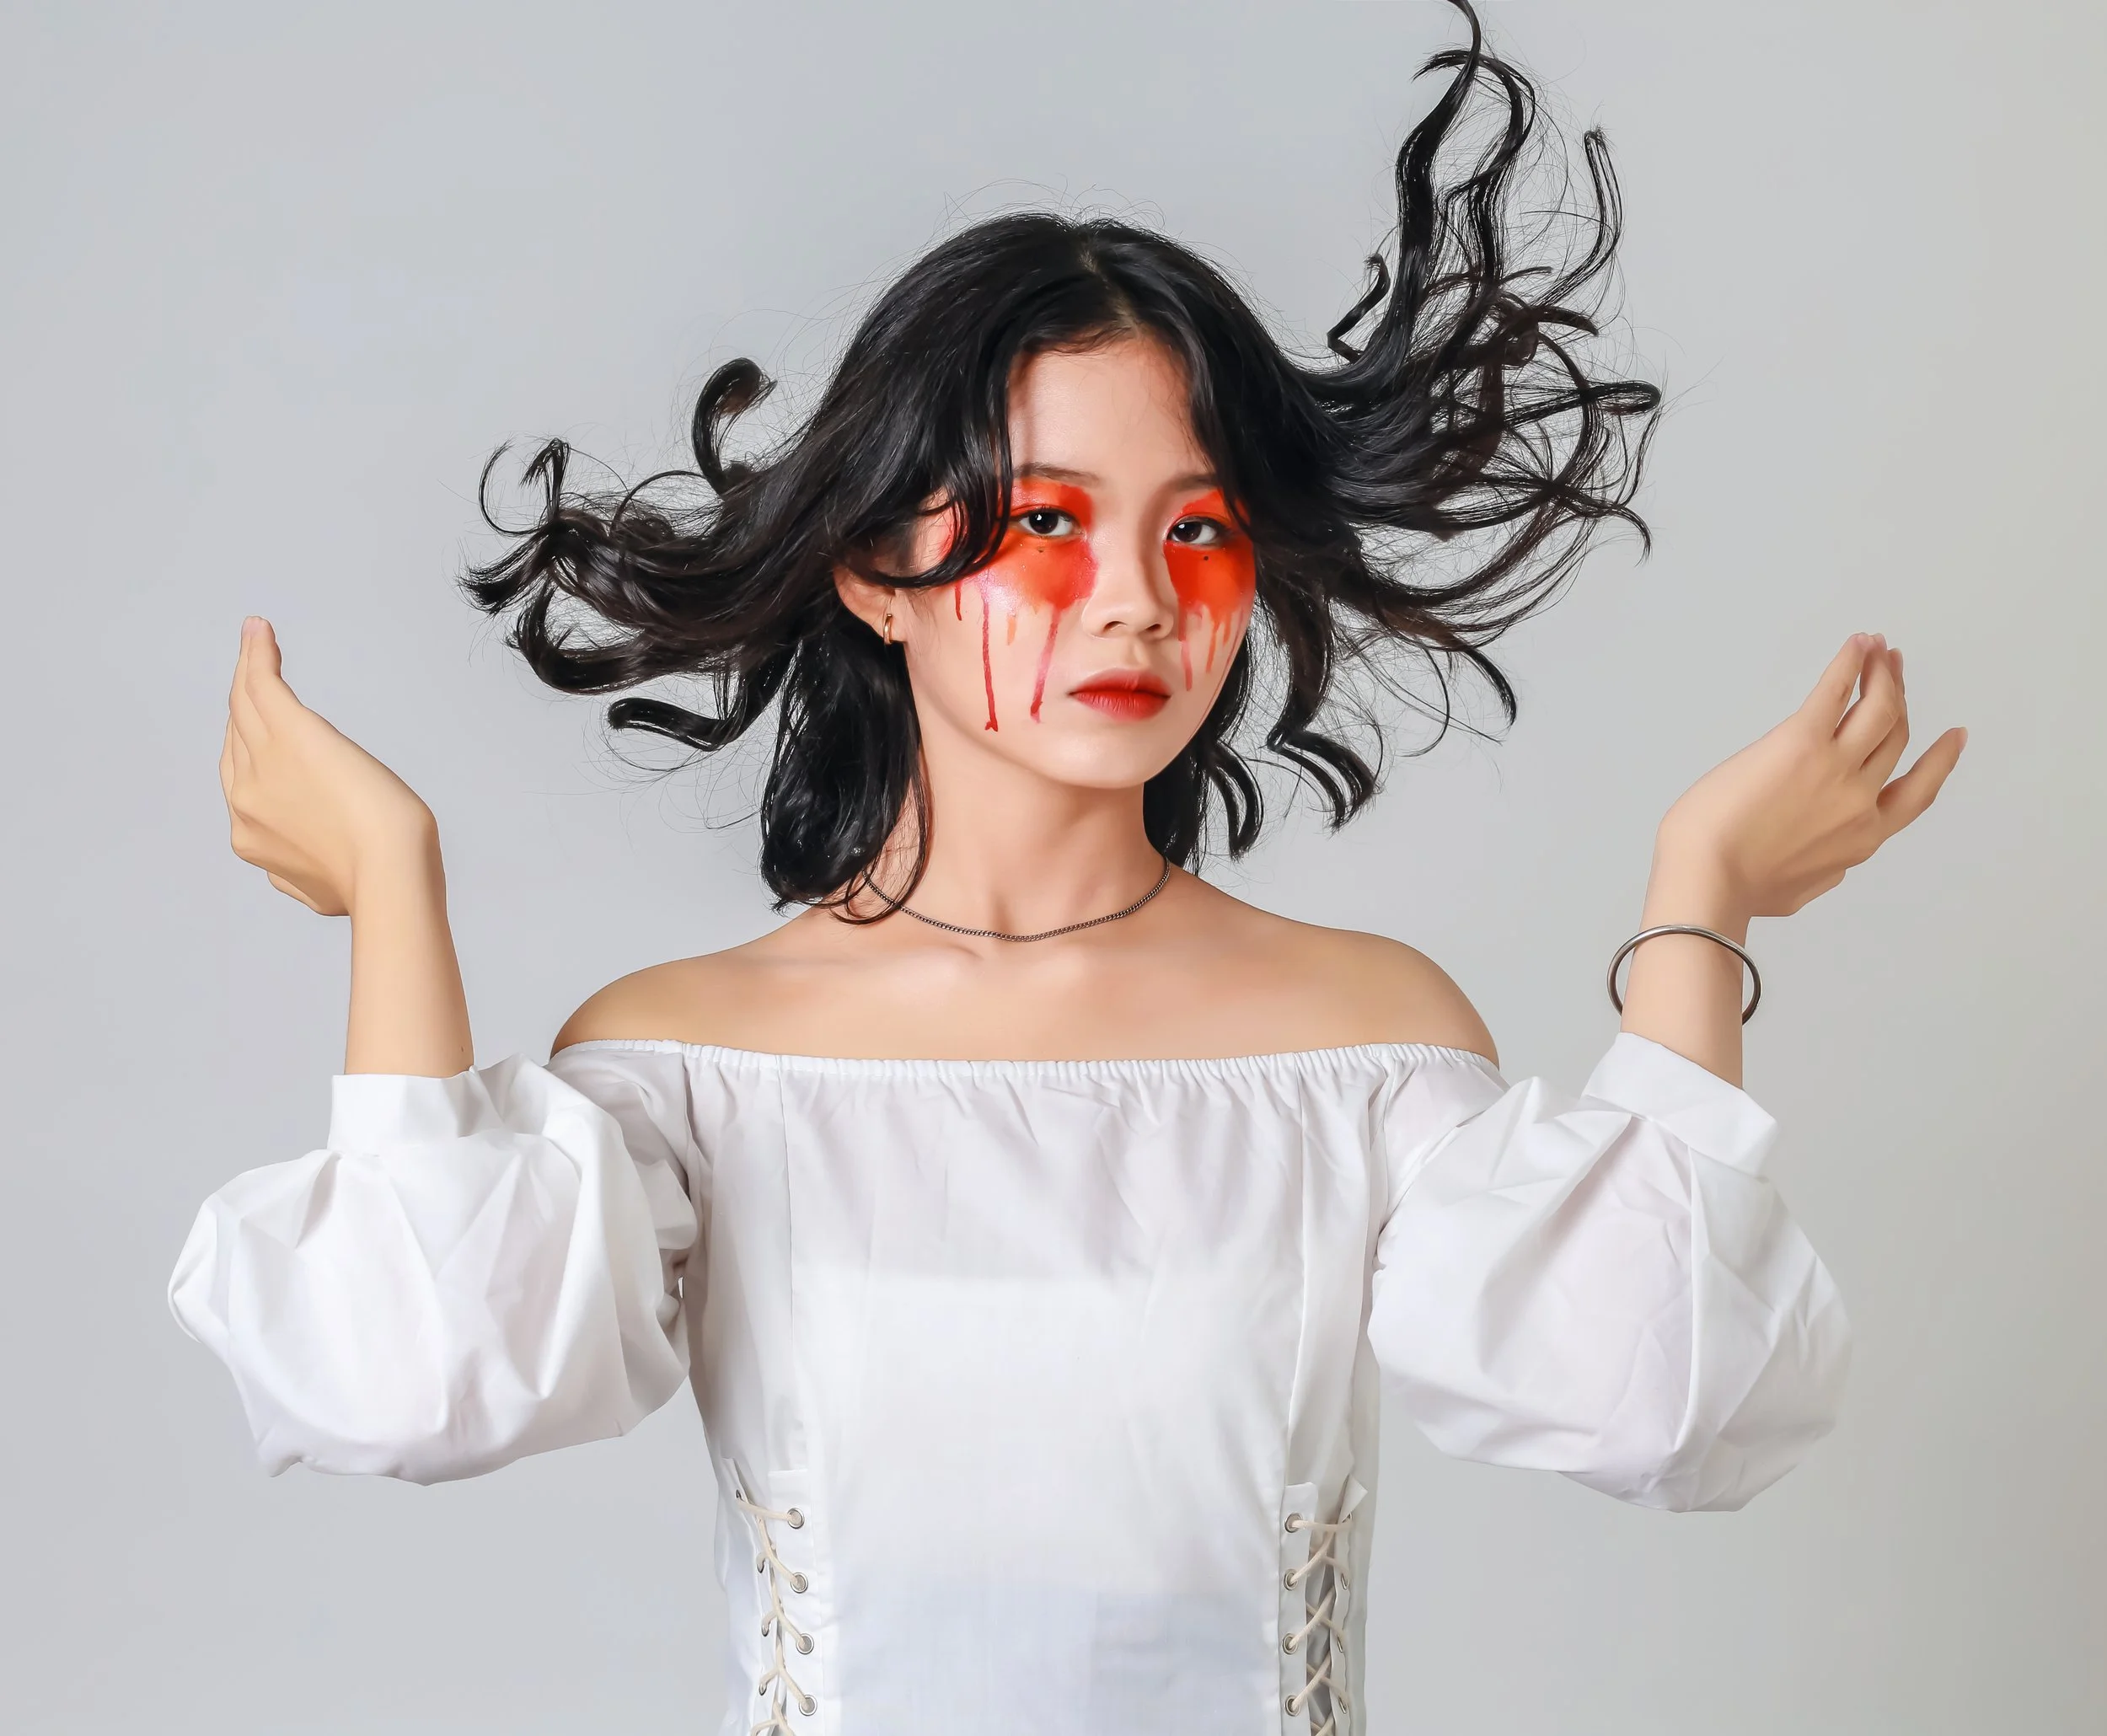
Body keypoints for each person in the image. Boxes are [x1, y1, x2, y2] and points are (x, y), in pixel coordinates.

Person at [169, 5, 1964, 1732]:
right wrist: (392, 887)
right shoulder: (688, 1065)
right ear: (876, 570)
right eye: (1045, 521)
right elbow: (408, 1375)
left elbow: (1659, 1396)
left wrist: (1696, 891)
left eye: (1192, 527)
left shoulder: (1360, 1039)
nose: (1129, 596)